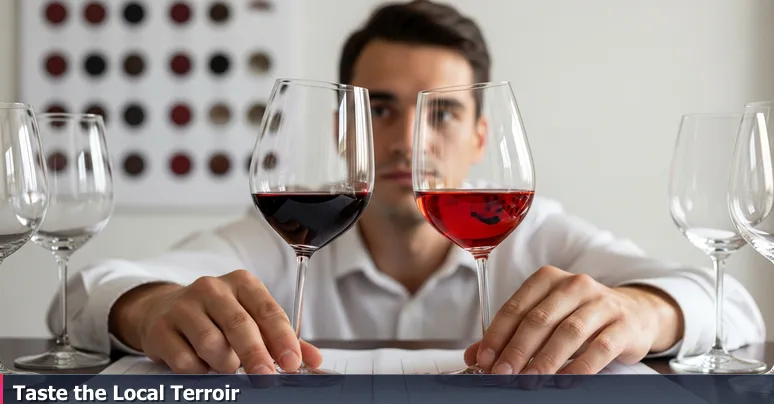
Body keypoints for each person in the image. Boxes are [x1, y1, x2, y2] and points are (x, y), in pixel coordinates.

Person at [47, 0, 764, 376]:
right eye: (381, 108)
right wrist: (148, 310)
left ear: (482, 136)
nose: (410, 141)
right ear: (344, 127)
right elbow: (83, 293)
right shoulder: (286, 237)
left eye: (442, 112)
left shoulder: (535, 233)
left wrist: (645, 315)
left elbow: (735, 306)